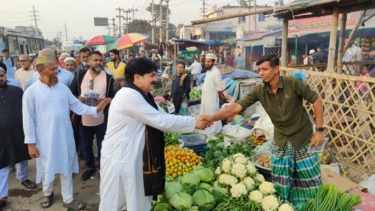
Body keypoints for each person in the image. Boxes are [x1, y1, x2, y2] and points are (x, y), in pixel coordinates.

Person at [207, 54, 324, 206]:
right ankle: (286, 207)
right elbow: (237, 106)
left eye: (264, 69)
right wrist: (211, 118)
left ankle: (311, 207)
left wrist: (319, 130)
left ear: (276, 69)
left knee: (309, 179)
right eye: (259, 69)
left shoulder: (292, 83)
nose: (260, 73)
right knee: (282, 181)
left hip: (303, 138)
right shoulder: (260, 90)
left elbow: (316, 100)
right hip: (281, 140)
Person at [99, 58, 211, 211]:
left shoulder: (143, 96)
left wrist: (194, 120)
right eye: (151, 75)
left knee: (135, 201)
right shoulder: (129, 96)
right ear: (137, 77)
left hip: (131, 157)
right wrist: (193, 122)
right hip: (119, 158)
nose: (155, 79)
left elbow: (163, 116)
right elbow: (161, 121)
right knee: (114, 203)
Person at [22, 49, 112, 210]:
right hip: (44, 139)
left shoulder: (62, 89)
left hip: (64, 136)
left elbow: (77, 106)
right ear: (40, 70)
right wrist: (30, 143)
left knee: (65, 167)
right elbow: (27, 119)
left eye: (56, 69)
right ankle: (48, 193)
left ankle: (68, 198)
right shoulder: (31, 93)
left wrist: (95, 110)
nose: (56, 71)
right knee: (45, 167)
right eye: (52, 69)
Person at [69, 51, 115, 181]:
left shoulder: (108, 78)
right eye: (95, 60)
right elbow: (70, 94)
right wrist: (79, 99)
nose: (98, 62)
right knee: (85, 145)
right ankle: (90, 167)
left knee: (103, 145)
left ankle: (102, 168)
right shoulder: (80, 76)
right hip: (84, 119)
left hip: (102, 119)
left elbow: (114, 97)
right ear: (88, 61)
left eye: (100, 60)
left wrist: (103, 102)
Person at [0, 66, 36, 210]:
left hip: (18, 130)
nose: (0, 79)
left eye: (1, 75)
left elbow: (27, 110)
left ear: (5, 76)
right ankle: (2, 195)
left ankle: (23, 178)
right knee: (2, 162)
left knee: (21, 155)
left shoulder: (17, 91)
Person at [200, 53, 223, 135]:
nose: (207, 63)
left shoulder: (216, 72)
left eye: (209, 61)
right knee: (206, 113)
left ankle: (215, 131)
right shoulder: (209, 71)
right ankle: (207, 128)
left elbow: (219, 87)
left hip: (212, 98)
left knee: (213, 114)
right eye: (206, 61)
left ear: (213, 62)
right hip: (206, 98)